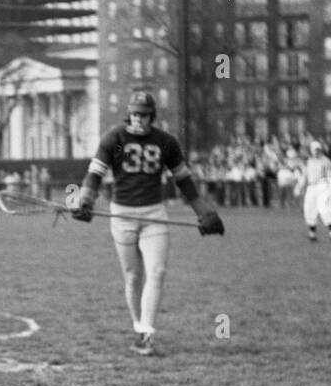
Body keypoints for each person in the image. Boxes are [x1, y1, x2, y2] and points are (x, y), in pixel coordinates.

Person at [74, 90, 223, 356]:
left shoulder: (166, 142)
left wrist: (203, 212)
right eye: (134, 114)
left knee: (158, 272)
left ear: (151, 116)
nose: (138, 119)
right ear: (128, 114)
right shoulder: (114, 138)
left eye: (143, 115)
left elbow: (184, 180)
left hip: (154, 214)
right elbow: (95, 174)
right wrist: (85, 199)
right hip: (122, 215)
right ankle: (138, 327)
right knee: (133, 277)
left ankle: (147, 333)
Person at [299, 138, 331, 242]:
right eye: (314, 149)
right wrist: (299, 187)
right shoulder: (308, 162)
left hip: (322, 186)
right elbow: (304, 175)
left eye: (318, 149)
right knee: (309, 209)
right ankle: (312, 233)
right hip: (311, 188)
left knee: (325, 209)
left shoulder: (325, 161)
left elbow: (330, 174)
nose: (316, 151)